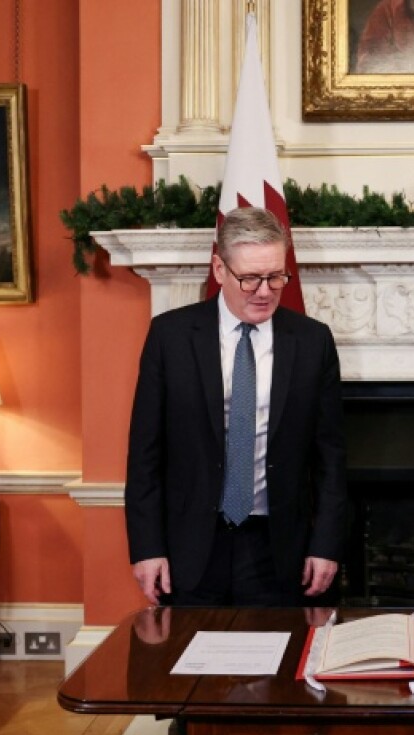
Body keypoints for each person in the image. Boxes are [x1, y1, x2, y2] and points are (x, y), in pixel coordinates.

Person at [126, 206, 347, 611]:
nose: (264, 291)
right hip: (190, 547)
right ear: (219, 269)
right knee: (188, 651)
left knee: (277, 651)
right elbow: (145, 453)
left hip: (278, 549)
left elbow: (330, 457)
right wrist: (147, 547)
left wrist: (326, 545)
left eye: (276, 277)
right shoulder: (171, 337)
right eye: (250, 278)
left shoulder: (312, 341)